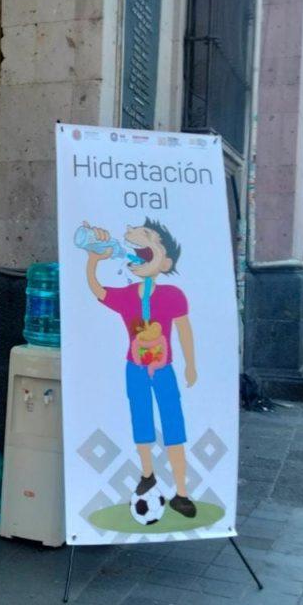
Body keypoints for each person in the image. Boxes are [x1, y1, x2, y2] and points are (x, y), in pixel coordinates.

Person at [82, 219, 199, 519]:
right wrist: (93, 260)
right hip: (134, 367)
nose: (137, 242)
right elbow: (97, 290)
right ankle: (148, 474)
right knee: (141, 418)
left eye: (149, 237)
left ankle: (181, 493)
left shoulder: (173, 295)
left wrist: (191, 365)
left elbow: (185, 331)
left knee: (173, 423)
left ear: (166, 262)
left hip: (164, 368)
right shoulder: (127, 295)